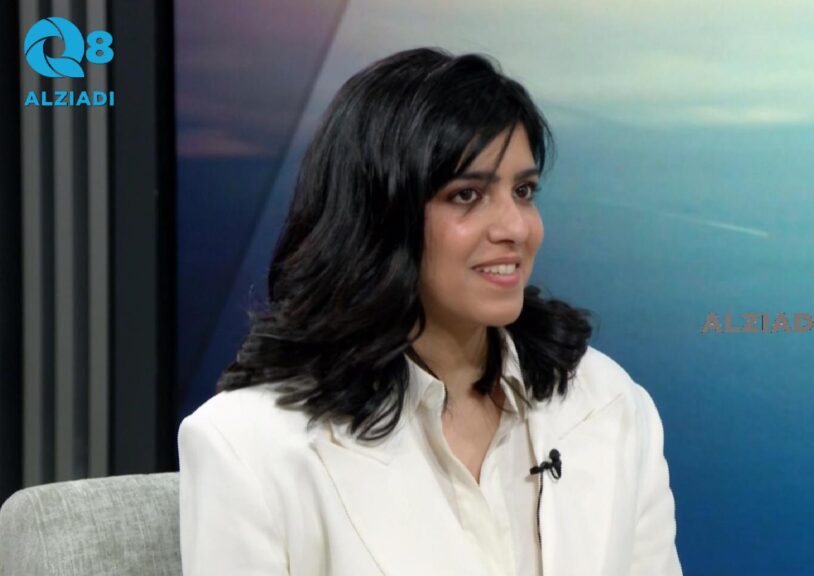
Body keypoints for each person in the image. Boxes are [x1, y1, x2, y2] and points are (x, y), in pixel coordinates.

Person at [177, 47, 683, 576]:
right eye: (467, 195)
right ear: (378, 214)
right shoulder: (249, 446)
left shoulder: (609, 402)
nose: (515, 227)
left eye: (523, 191)